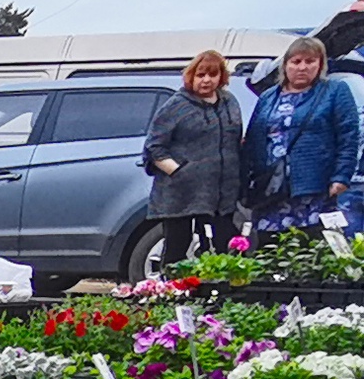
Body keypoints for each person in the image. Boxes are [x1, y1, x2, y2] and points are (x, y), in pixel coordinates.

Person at [240, 35, 358, 238]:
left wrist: (341, 176)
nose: (302, 67)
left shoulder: (335, 91)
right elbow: (253, 139)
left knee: (310, 248)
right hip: (272, 189)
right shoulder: (269, 96)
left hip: (314, 186)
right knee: (269, 249)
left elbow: (348, 136)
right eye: (296, 62)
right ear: (285, 66)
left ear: (320, 65)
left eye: (310, 61)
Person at [141, 50, 242, 271]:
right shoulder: (176, 105)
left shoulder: (229, 102)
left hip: (221, 193)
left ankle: (220, 295)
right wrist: (180, 172)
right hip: (180, 194)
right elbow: (153, 147)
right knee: (178, 247)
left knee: (224, 246)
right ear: (191, 76)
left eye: (212, 75)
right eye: (201, 75)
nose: (206, 80)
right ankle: (173, 292)